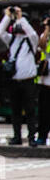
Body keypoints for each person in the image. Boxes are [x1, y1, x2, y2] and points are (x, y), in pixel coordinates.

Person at [0, 6, 38, 145]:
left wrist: (20, 17)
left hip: (28, 81)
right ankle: (17, 137)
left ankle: (32, 138)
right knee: (15, 111)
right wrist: (8, 16)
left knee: (30, 110)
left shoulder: (31, 40)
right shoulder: (12, 40)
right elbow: (0, 31)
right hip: (14, 81)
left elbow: (31, 33)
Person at [35, 19, 50, 147]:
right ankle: (42, 136)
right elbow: (41, 45)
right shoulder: (46, 36)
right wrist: (47, 29)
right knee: (43, 111)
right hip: (45, 81)